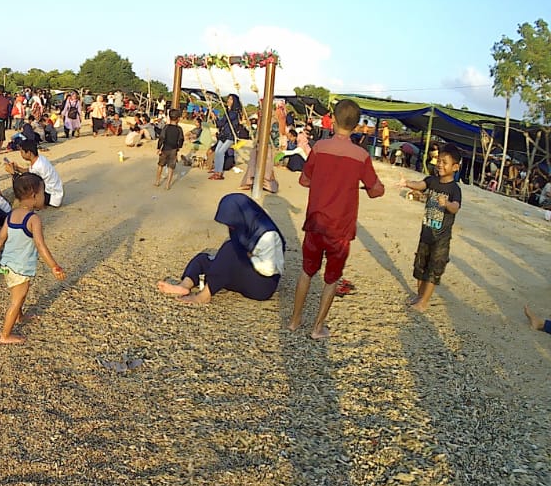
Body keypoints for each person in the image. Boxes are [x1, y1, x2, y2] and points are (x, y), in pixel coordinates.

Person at [288, 98, 386, 339]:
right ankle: (317, 327)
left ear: (333, 119)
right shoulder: (361, 155)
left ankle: (294, 320)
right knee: (332, 278)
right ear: (356, 125)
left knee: (306, 272)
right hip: (340, 229)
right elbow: (376, 190)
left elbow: (304, 180)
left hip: (315, 222)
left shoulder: (319, 148)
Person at [156, 194, 285, 304]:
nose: (230, 226)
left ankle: (204, 296)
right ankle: (184, 286)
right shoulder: (240, 226)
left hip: (262, 285)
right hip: (244, 272)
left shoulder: (268, 234)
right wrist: (224, 261)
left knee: (229, 249)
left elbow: (269, 269)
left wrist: (247, 257)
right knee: (203, 259)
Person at [0, 172, 66, 343]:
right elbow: (40, 245)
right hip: (20, 267)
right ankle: (5, 335)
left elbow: (0, 238)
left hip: (7, 264)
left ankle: (20, 316)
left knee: (19, 292)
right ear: (34, 195)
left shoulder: (12, 215)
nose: (44, 196)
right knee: (17, 298)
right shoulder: (33, 219)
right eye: (43, 193)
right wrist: (54, 266)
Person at [399, 144, 462, 313]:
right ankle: (419, 296)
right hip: (426, 234)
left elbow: (455, 207)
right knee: (420, 267)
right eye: (438, 161)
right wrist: (407, 183)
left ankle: (424, 301)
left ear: (455, 167)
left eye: (445, 162)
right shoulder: (432, 181)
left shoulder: (455, 189)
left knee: (434, 269)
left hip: (441, 239)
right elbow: (421, 184)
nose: (440, 164)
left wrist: (447, 204)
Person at [3, 136, 64, 207]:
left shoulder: (39, 166)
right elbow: (29, 171)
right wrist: (18, 168)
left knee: (23, 191)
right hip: (54, 193)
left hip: (52, 197)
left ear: (28, 153)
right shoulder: (39, 159)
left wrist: (13, 173)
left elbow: (26, 182)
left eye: (22, 152)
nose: (21, 155)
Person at [211, 94, 250, 179]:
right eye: (228, 99)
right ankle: (216, 169)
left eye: (231, 99)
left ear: (234, 102)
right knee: (217, 151)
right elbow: (220, 124)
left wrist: (219, 117)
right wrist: (215, 118)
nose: (228, 101)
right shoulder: (228, 112)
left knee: (221, 152)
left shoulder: (234, 113)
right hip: (224, 135)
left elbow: (224, 120)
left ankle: (219, 172)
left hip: (230, 136)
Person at [156, 109, 184, 189]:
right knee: (171, 167)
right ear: (178, 118)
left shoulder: (166, 127)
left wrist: (159, 148)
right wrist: (179, 147)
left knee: (160, 165)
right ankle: (168, 184)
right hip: (174, 149)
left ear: (169, 117)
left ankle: (157, 181)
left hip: (165, 148)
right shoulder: (179, 129)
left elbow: (161, 138)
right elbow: (181, 139)